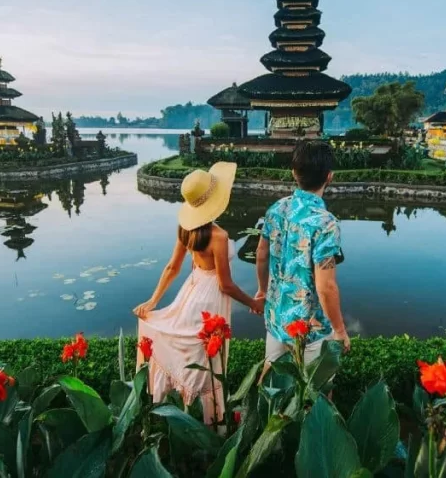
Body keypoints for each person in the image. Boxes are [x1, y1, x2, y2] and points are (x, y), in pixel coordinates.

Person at [134, 162, 263, 424]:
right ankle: (209, 420)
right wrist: (253, 302)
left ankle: (184, 407)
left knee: (192, 347)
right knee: (207, 355)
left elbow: (172, 267)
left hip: (190, 292)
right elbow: (225, 284)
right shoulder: (219, 236)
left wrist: (154, 300)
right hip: (211, 298)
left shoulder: (186, 229)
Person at [255, 141, 350, 366]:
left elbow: (261, 254)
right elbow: (325, 286)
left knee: (272, 388)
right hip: (311, 328)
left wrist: (261, 290)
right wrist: (340, 330)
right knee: (318, 393)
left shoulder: (276, 209)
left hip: (277, 318)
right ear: (329, 177)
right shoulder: (326, 223)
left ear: (294, 173)